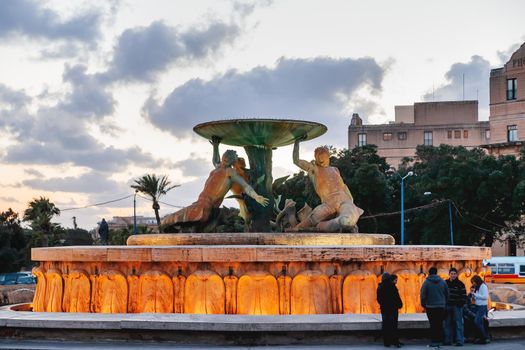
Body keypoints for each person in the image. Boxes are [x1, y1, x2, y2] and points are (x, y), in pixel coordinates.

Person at [161, 137, 269, 227]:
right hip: (199, 204)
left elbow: (246, 186)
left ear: (231, 161)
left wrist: (256, 197)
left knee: (170, 220)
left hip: (206, 208)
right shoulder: (218, 167)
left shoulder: (230, 172)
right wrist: (215, 147)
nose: (225, 158)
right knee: (168, 220)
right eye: (225, 156)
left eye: (228, 157)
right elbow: (215, 160)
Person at [291, 137, 363, 232]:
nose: (321, 160)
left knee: (347, 220)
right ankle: (313, 227)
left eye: (323, 157)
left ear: (328, 156)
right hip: (328, 204)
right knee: (312, 219)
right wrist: (297, 142)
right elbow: (296, 160)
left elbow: (344, 186)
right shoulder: (313, 169)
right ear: (315, 158)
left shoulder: (335, 169)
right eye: (318, 157)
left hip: (345, 200)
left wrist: (351, 201)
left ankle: (340, 223)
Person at [420, 267, 449, 347]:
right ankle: (440, 340)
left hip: (430, 306)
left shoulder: (426, 282)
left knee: (433, 324)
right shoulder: (443, 282)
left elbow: (423, 294)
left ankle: (434, 341)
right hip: (441, 306)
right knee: (439, 324)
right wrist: (444, 303)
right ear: (436, 272)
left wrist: (423, 304)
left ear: (429, 273)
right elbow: (447, 294)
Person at [377, 272, 403, 348]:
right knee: (393, 325)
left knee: (386, 325)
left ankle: (386, 342)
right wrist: (399, 305)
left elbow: (378, 299)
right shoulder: (392, 286)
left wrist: (382, 305)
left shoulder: (380, 287)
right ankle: (395, 341)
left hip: (384, 309)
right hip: (393, 309)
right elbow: (396, 297)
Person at [444, 267, 467, 346]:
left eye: (454, 274)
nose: (453, 275)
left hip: (457, 306)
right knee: (447, 324)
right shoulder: (445, 283)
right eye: (451, 274)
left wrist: (460, 304)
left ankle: (459, 341)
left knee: (458, 324)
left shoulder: (460, 284)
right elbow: (443, 294)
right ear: (449, 274)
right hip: (447, 306)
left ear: (457, 275)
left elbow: (464, 296)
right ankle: (448, 340)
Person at [471, 275, 490, 344]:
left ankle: (484, 337)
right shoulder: (477, 287)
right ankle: (481, 338)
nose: (473, 284)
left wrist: (475, 294)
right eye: (472, 282)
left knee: (477, 322)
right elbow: (478, 297)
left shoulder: (483, 286)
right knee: (480, 322)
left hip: (482, 307)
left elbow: (485, 297)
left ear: (477, 281)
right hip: (477, 306)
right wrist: (473, 296)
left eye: (474, 282)